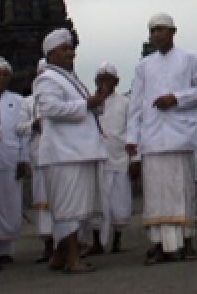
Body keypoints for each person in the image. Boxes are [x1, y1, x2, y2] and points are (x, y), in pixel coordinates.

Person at [125, 13, 197, 265]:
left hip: (179, 135)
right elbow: (136, 105)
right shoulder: (143, 66)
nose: (155, 35)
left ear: (173, 31)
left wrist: (176, 98)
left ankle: (186, 243)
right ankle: (161, 245)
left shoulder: (190, 58)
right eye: (152, 31)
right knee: (156, 196)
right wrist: (132, 138)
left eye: (160, 30)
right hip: (151, 139)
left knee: (181, 192)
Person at [34, 27, 108, 274]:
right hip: (62, 154)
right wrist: (87, 103)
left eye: (71, 48)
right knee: (69, 209)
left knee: (79, 206)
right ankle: (73, 259)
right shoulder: (46, 79)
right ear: (51, 54)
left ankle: (60, 255)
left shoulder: (70, 78)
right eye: (64, 49)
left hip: (77, 152)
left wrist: (95, 102)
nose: (70, 53)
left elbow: (82, 108)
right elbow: (49, 109)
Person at [0, 57, 26, 263]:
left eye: (4, 74)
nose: (0, 78)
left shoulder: (18, 101)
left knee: (10, 202)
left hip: (11, 157)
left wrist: (23, 159)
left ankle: (6, 249)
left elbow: (23, 133)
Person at [85, 62, 130, 255]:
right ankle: (96, 242)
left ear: (116, 82)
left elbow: (133, 131)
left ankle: (117, 241)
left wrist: (135, 160)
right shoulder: (90, 102)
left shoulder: (125, 103)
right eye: (100, 79)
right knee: (96, 202)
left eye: (107, 79)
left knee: (119, 203)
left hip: (119, 158)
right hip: (96, 159)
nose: (103, 83)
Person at [16, 60, 54, 263]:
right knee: (43, 203)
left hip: (59, 157)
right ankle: (48, 243)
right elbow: (19, 128)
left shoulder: (60, 97)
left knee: (61, 200)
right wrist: (34, 124)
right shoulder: (28, 102)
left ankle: (65, 242)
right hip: (39, 158)